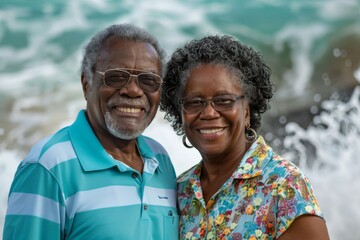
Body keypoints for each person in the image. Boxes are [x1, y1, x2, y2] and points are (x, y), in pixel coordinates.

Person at [3, 23, 178, 240]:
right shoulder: (48, 167)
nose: (133, 90)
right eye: (116, 77)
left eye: (148, 80)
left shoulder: (159, 159)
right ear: (87, 84)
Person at [160, 35, 330, 239]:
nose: (208, 113)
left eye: (223, 100)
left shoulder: (284, 186)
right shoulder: (180, 190)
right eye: (194, 102)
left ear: (247, 111)